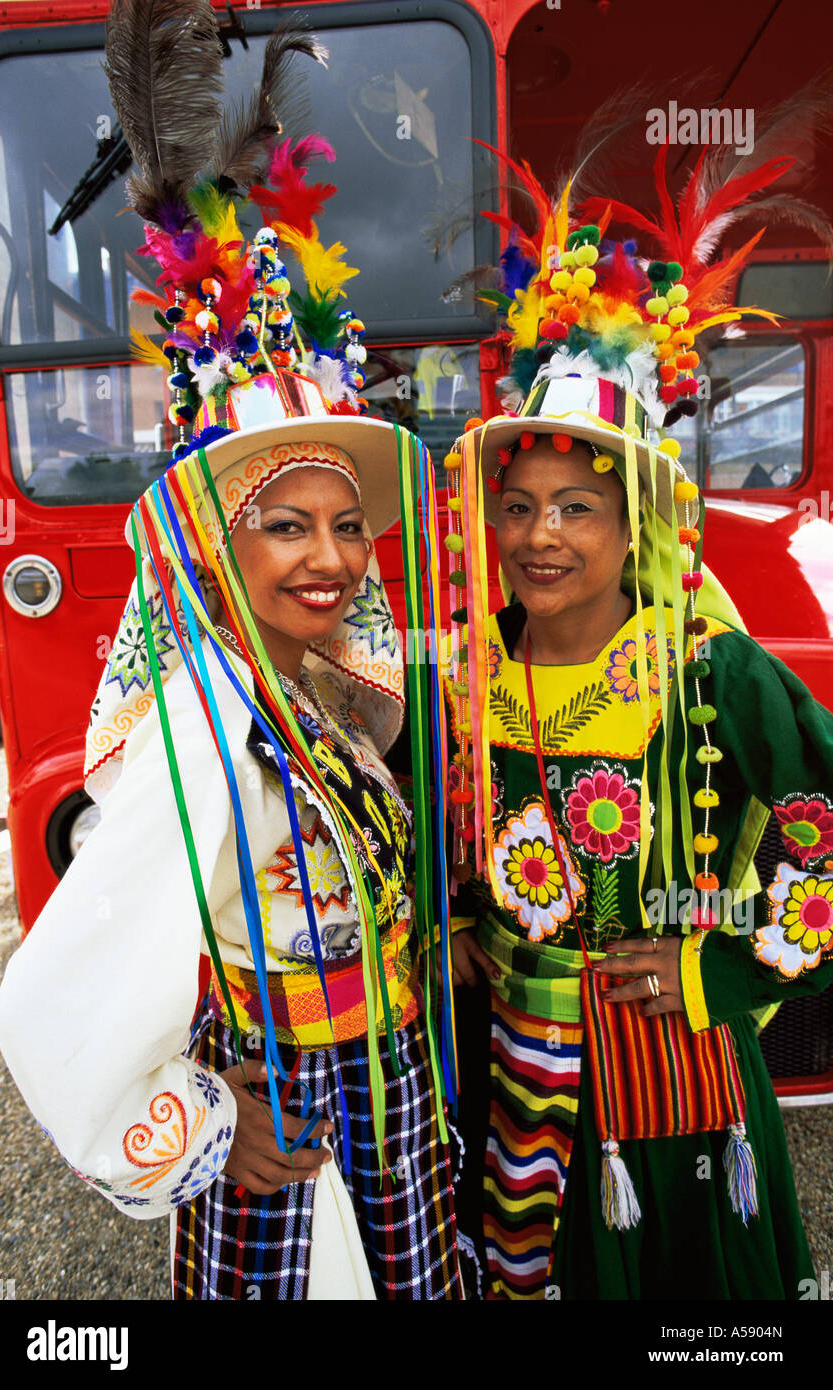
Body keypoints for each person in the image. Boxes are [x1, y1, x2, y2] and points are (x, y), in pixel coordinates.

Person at [0, 4, 460, 1301]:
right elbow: (49, 1010)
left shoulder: (335, 685)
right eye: (284, 525)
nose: (328, 556)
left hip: (393, 1097)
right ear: (213, 544)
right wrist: (201, 1122)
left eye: (345, 524)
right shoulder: (202, 728)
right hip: (298, 1134)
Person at [441, 140, 833, 1299]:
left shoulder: (715, 675)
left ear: (635, 527)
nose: (538, 535)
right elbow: (446, 856)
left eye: (574, 505)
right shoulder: (469, 684)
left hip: (680, 1102)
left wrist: (724, 965)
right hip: (520, 1098)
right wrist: (463, 933)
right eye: (515, 505)